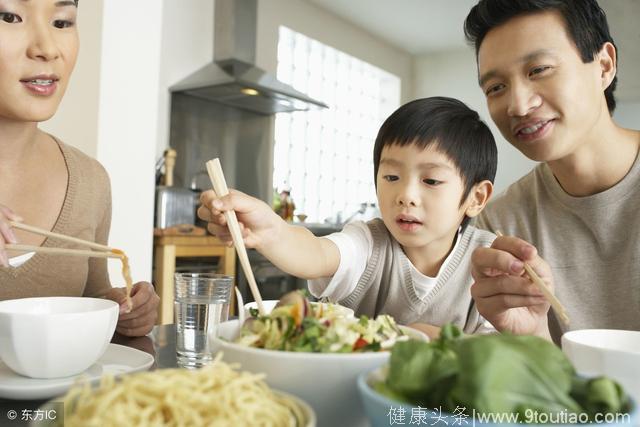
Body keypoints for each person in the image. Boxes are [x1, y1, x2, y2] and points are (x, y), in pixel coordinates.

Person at [199, 97, 498, 335]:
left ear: (476, 197)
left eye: (431, 181)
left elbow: (502, 353)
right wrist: (271, 232)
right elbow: (316, 253)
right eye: (392, 176)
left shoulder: (489, 260)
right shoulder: (369, 243)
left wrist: (435, 339)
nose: (405, 195)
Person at [464, 0, 640, 342]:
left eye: (539, 69)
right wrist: (532, 335)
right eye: (496, 87)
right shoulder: (503, 226)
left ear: (603, 65)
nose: (518, 105)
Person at [0, 0, 159, 336]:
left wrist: (121, 309)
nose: (47, 49)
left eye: (61, 22)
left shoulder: (90, 180)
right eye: (9, 16)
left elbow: (90, 295)